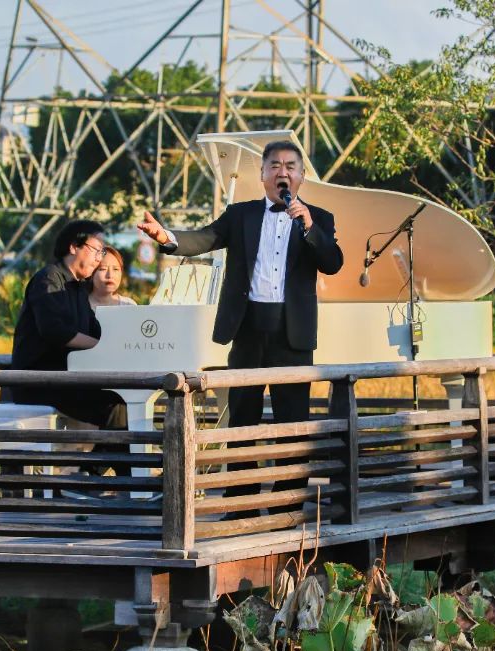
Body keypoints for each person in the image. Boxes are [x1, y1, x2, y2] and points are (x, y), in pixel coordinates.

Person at [137, 139, 344, 507]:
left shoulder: (320, 218)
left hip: (292, 333)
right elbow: (203, 238)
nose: (282, 172)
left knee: (292, 422)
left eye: (290, 166)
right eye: (275, 165)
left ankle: (287, 504)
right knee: (242, 419)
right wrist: (166, 236)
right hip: (247, 329)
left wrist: (309, 226)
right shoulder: (240, 214)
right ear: (262, 174)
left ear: (301, 176)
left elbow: (333, 262)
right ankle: (240, 501)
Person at [11, 219, 127, 433]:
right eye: (97, 250)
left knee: (121, 397)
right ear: (74, 247)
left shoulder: (78, 288)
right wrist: (102, 346)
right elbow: (54, 331)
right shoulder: (48, 279)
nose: (98, 258)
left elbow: (96, 330)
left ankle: (107, 455)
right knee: (113, 404)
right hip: (39, 382)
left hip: (66, 379)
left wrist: (128, 342)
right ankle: (112, 455)